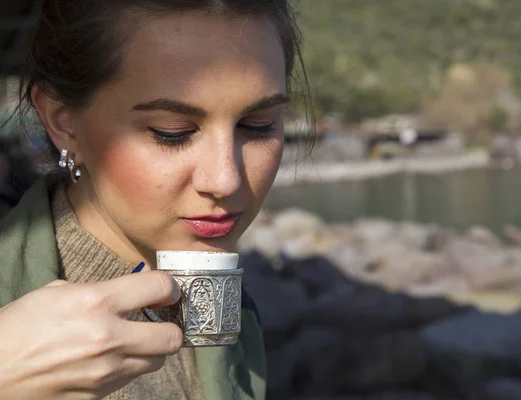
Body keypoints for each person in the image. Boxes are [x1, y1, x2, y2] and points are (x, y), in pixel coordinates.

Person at [0, 0, 310, 398]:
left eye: (258, 126)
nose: (225, 180)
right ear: (63, 123)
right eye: (173, 131)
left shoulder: (234, 312)